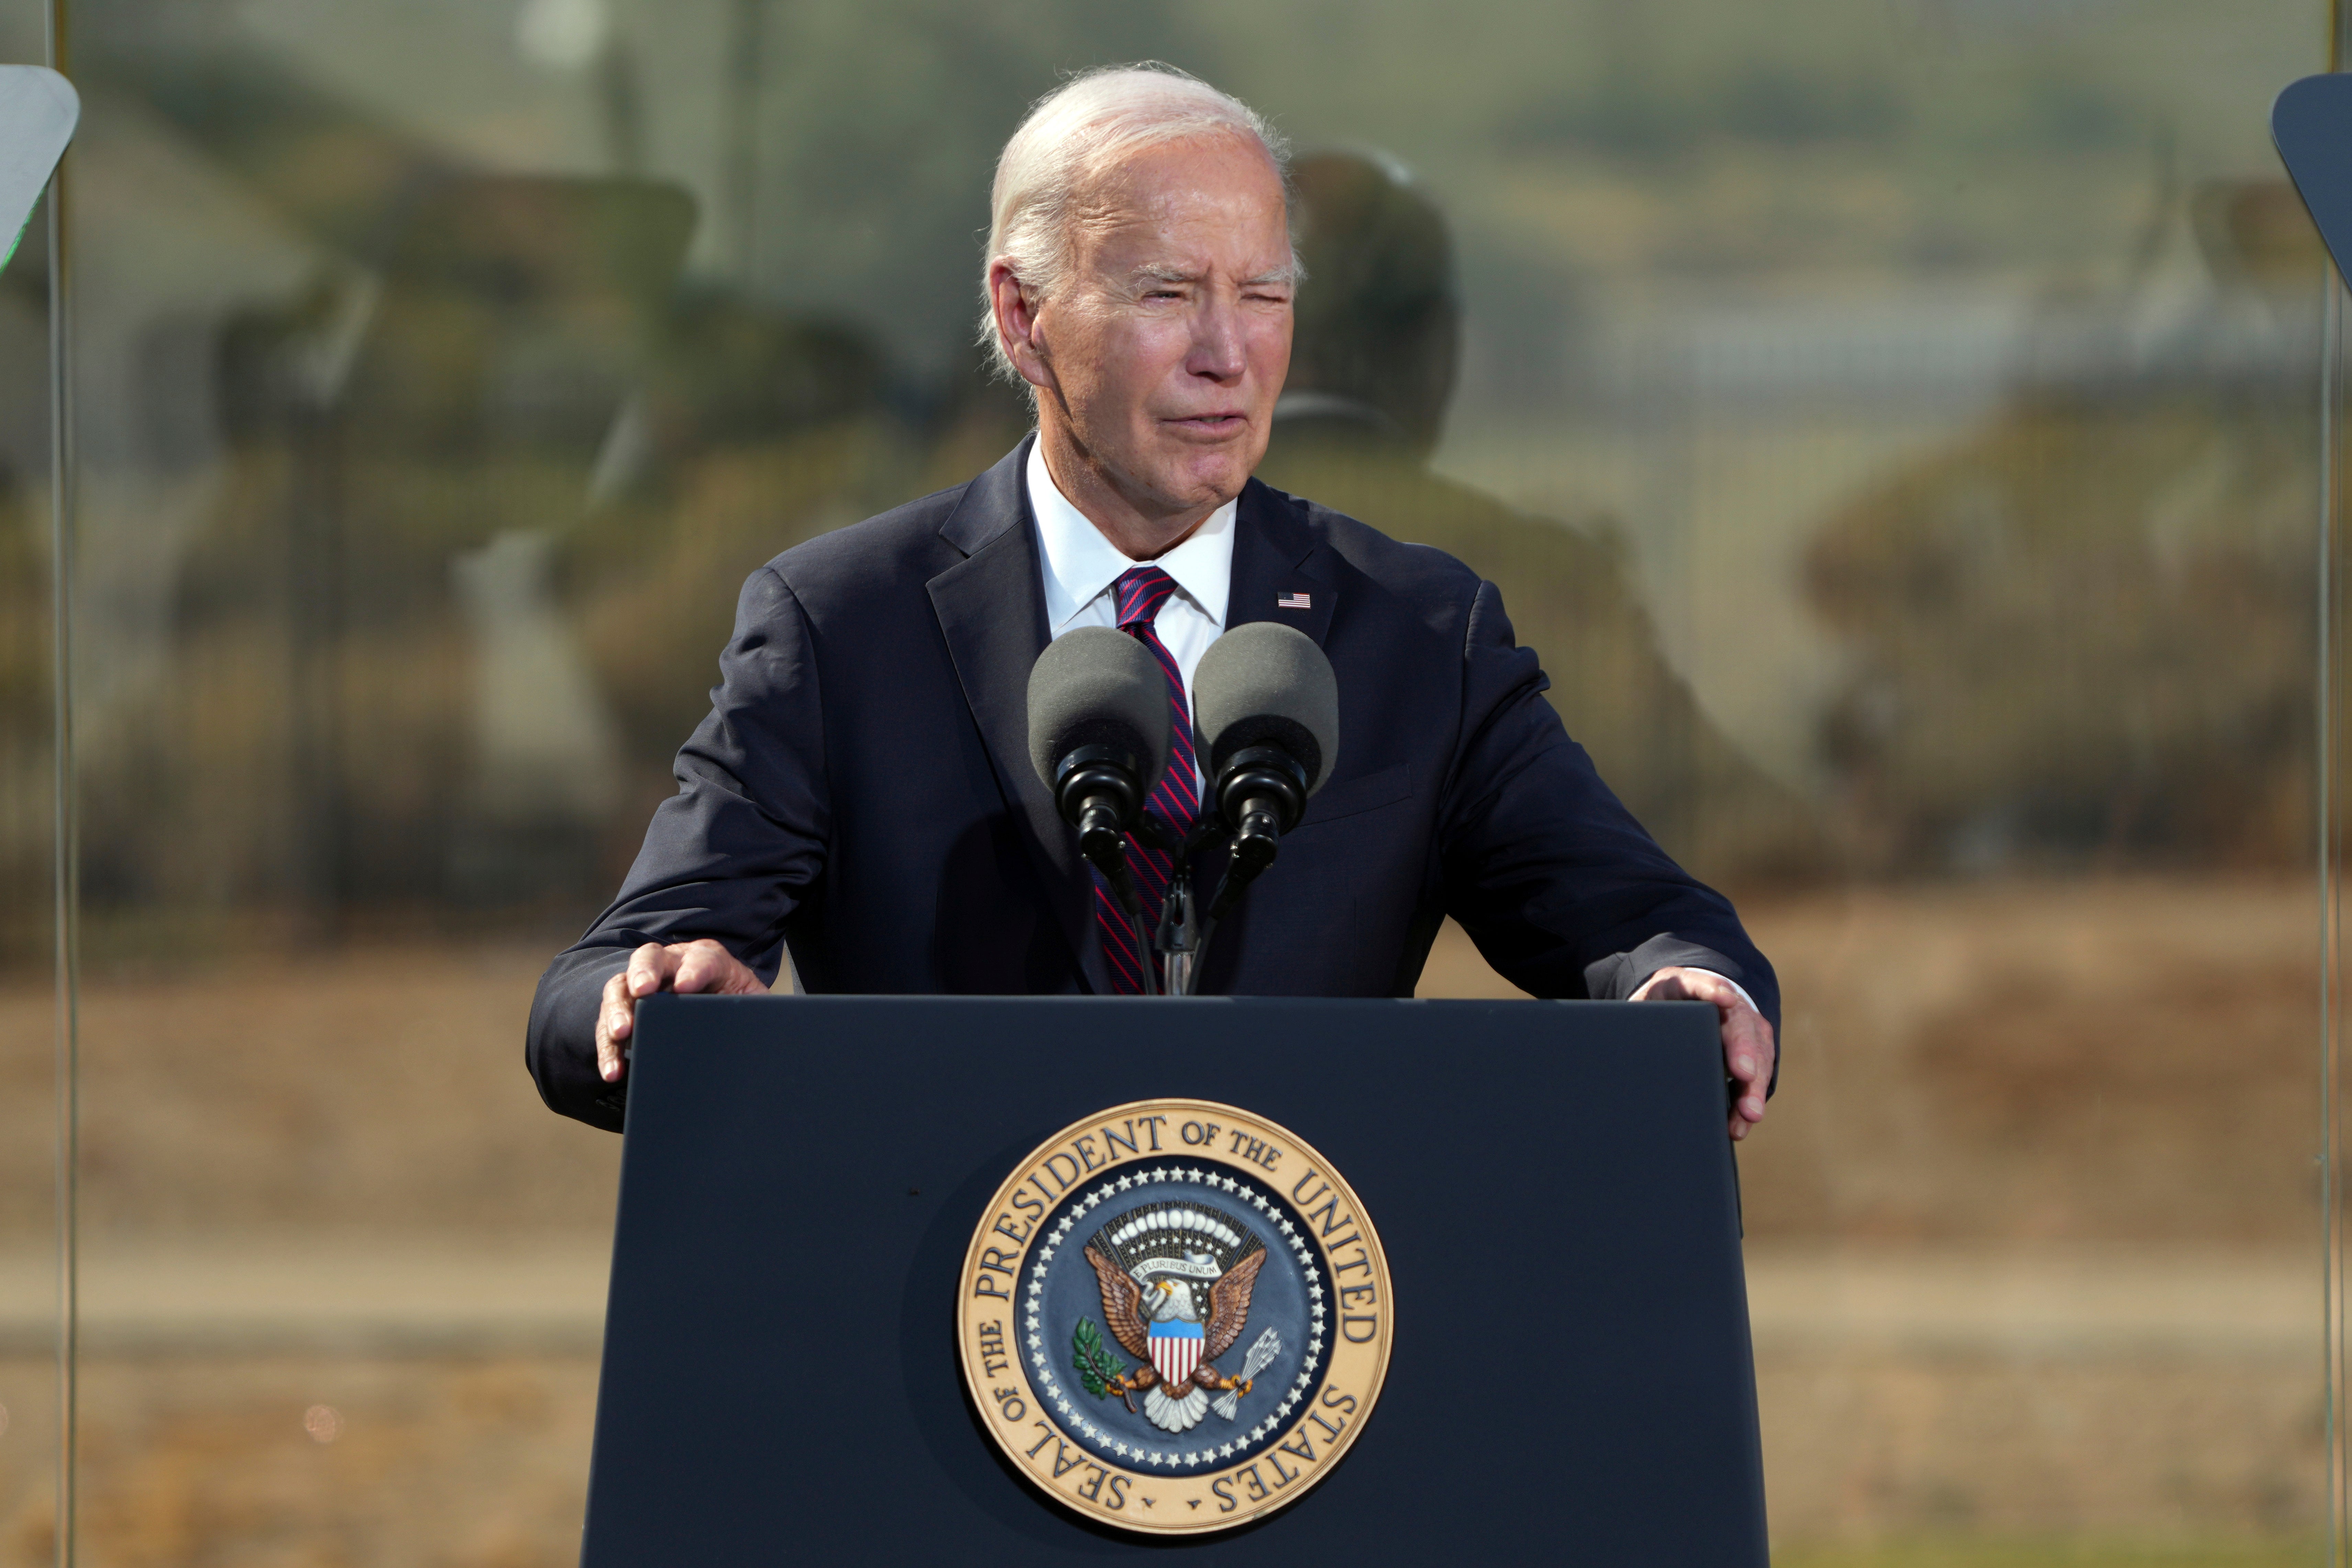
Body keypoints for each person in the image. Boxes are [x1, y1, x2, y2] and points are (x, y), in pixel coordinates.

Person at [526, 64, 1779, 1139]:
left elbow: (1642, 923)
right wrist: (651, 996)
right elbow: (597, 984)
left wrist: (1681, 983)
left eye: (1265, 296)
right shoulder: (838, 625)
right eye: (1167, 294)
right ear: (1023, 318)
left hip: (1310, 1325)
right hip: (940, 1306)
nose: (1227, 353)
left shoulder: (1417, 632)